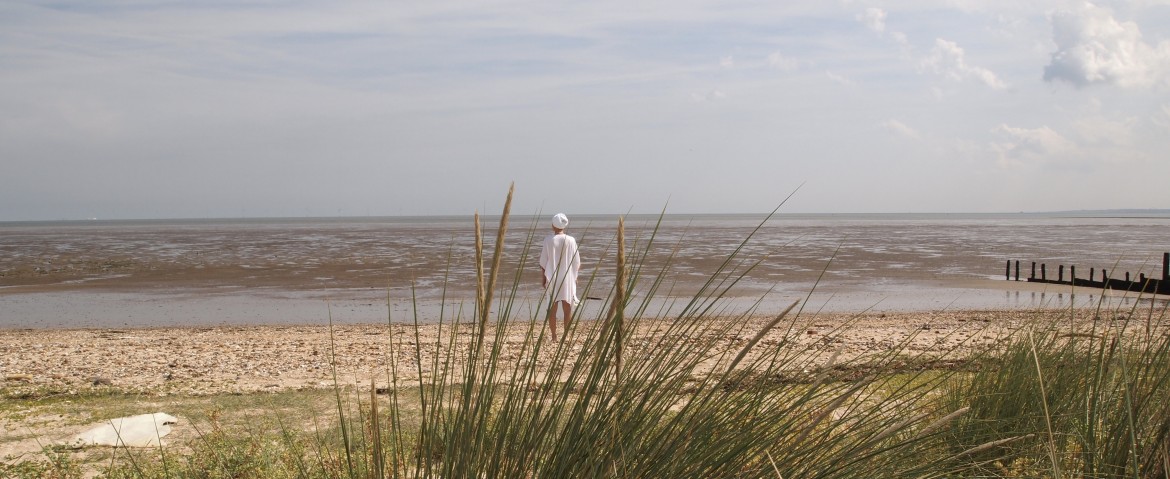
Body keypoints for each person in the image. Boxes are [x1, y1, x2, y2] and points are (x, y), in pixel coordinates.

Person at [539, 213, 581, 341]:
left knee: (552, 308)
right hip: (567, 277)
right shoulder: (571, 240)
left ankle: (554, 336)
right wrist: (575, 276)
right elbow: (577, 262)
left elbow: (544, 262)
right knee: (567, 308)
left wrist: (543, 278)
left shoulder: (548, 240)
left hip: (552, 276)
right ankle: (566, 335)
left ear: (553, 225)